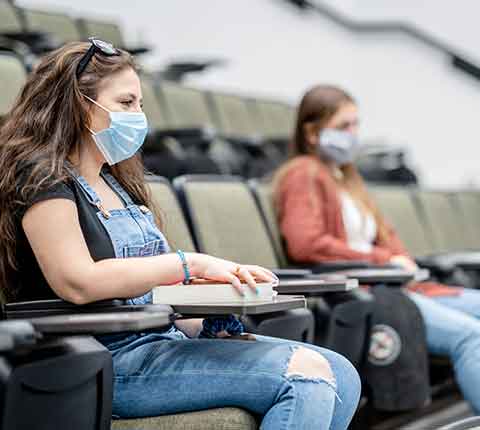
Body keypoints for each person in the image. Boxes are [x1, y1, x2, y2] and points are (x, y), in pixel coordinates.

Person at [0, 40, 360, 430]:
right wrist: (190, 264)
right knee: (305, 377)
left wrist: (209, 313)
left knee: (342, 374)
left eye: (140, 104)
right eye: (125, 103)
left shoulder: (118, 183)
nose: (138, 116)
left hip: (159, 342)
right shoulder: (42, 178)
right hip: (99, 361)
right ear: (81, 106)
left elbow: (147, 297)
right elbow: (77, 282)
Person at [273, 84, 480, 414]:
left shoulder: (346, 178)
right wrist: (384, 260)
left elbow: (387, 236)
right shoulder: (302, 174)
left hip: (400, 285)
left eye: (356, 124)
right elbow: (306, 243)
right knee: (471, 336)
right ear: (313, 133)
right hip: (369, 293)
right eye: (343, 126)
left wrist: (397, 260)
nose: (353, 134)